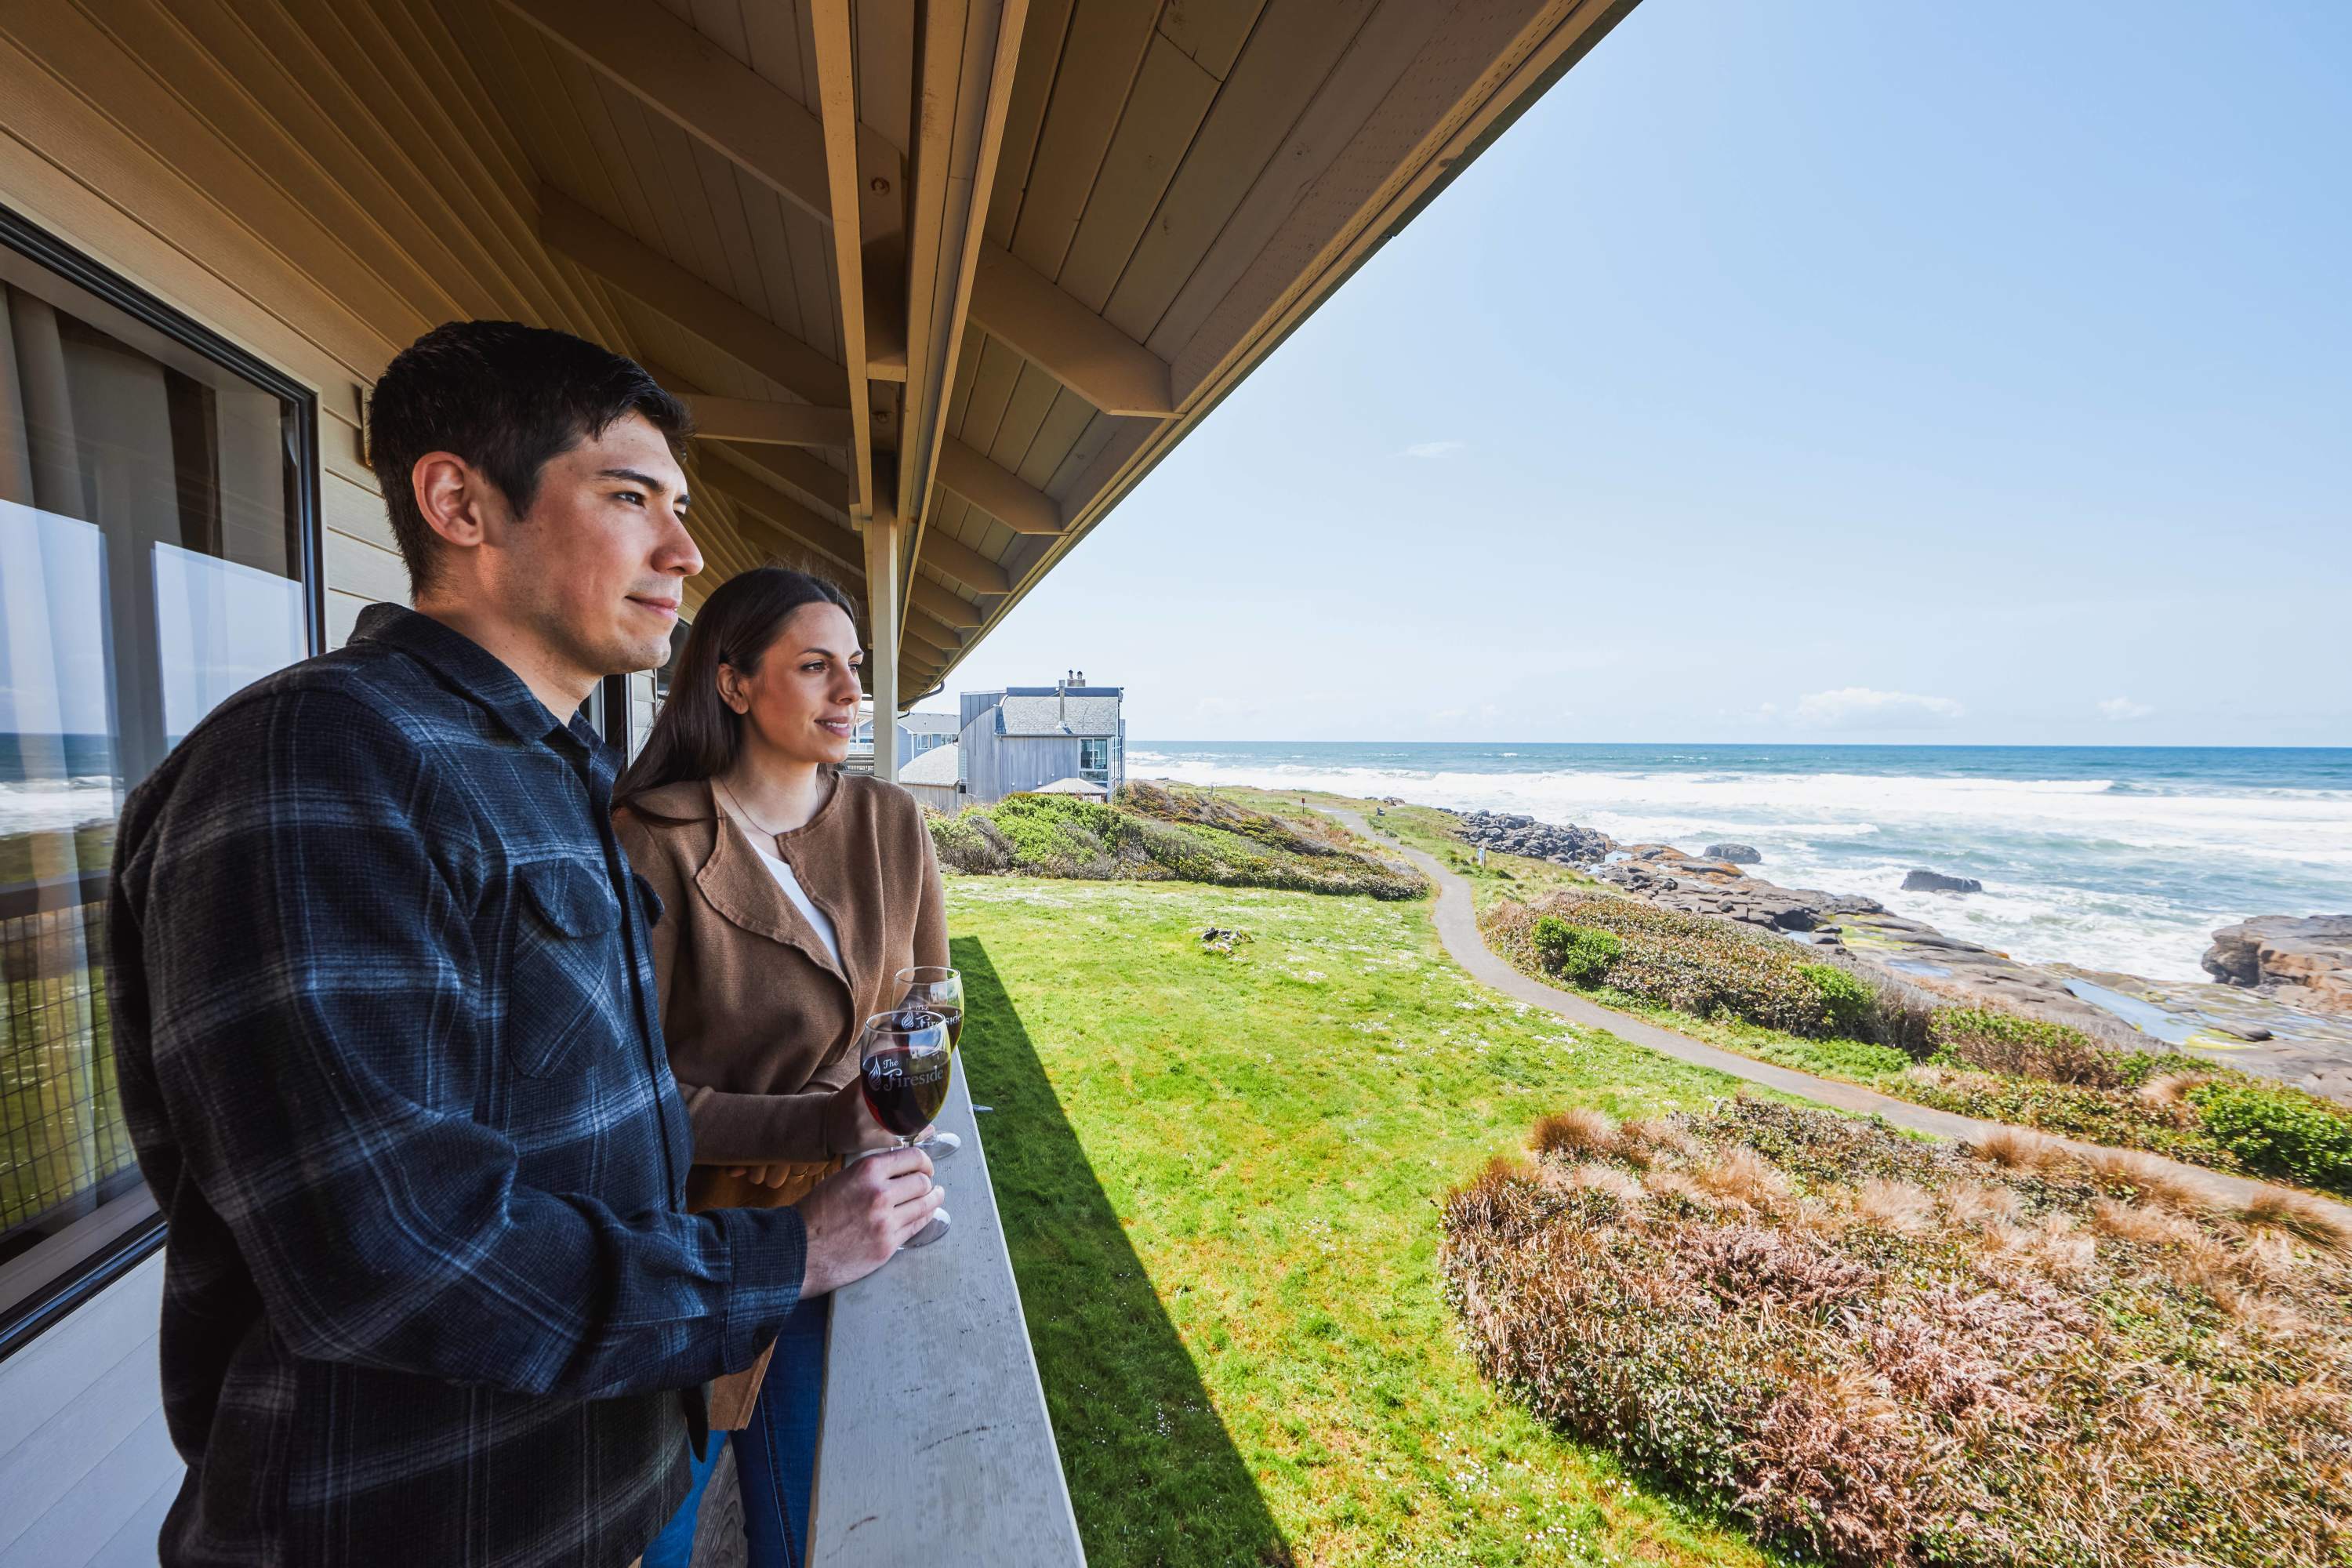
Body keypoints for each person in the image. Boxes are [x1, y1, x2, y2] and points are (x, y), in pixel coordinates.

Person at [106, 320, 942, 1568]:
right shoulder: (319, 762)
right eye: (628, 497)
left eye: (680, 504)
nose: (684, 548)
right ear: (460, 502)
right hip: (424, 1524)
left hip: (608, 1482)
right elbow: (389, 1247)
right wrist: (784, 1255)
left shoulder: (541, 774)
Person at [612, 565, 950, 1567]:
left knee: (809, 1529)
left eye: (854, 666)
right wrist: (819, 1122)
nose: (852, 692)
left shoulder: (892, 824)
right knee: (657, 1538)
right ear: (733, 683)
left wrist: (897, 1113)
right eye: (815, 667)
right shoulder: (650, 842)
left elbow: (927, 1004)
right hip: (696, 1253)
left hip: (859, 1228)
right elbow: (628, 1098)